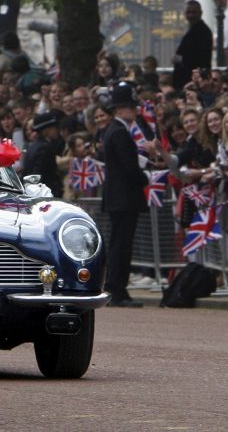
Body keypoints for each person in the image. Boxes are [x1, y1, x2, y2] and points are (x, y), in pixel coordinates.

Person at [101, 82, 148, 306]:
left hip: (118, 198)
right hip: (124, 198)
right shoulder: (120, 133)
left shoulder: (115, 131)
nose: (134, 110)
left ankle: (116, 287)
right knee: (122, 245)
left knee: (120, 243)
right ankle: (117, 289)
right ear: (119, 109)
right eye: (130, 107)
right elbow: (129, 168)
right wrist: (145, 179)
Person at [172, 0, 213, 91]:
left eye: (194, 12)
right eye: (188, 12)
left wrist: (180, 59)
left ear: (200, 13)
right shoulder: (192, 30)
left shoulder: (203, 31)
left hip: (193, 79)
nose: (191, 15)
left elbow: (201, 57)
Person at [23, 113, 63, 197]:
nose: (57, 130)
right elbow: (39, 175)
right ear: (46, 130)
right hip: (45, 194)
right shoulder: (45, 148)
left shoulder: (33, 146)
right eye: (54, 128)